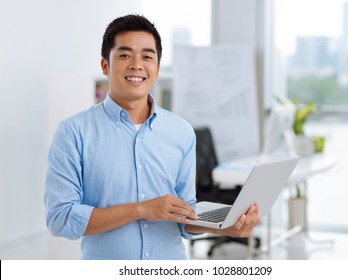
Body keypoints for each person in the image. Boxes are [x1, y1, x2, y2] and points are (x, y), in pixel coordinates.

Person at [44, 14, 261, 260]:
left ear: (157, 69)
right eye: (125, 55)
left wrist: (226, 226)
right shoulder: (73, 132)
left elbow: (184, 218)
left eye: (147, 56)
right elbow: (60, 218)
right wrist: (141, 209)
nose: (137, 64)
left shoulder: (181, 131)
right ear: (105, 65)